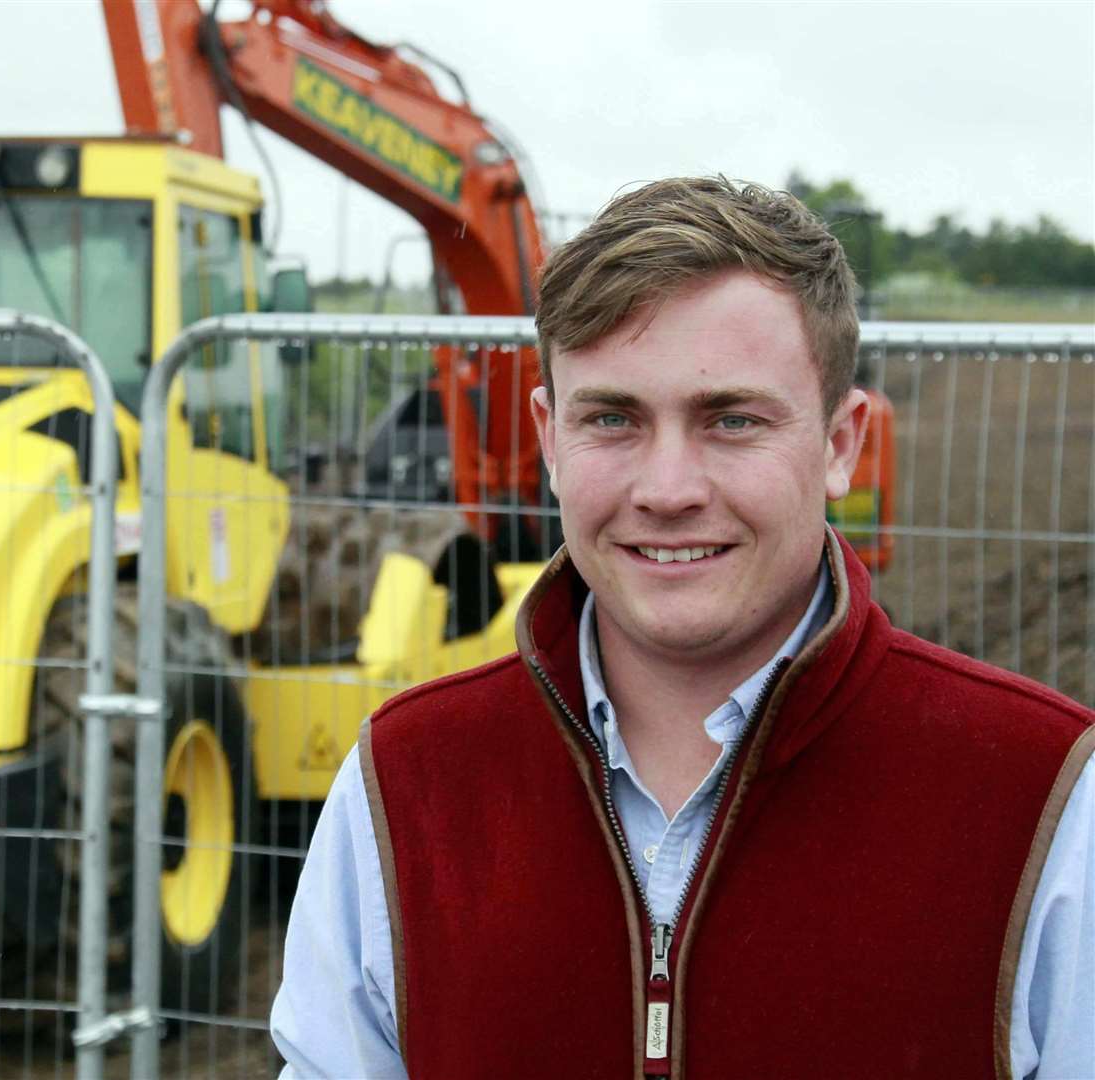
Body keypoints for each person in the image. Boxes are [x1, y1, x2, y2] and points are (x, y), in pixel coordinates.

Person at [270, 177, 1094, 1078]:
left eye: (732, 420)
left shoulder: (1048, 807)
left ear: (840, 444)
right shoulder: (400, 785)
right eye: (614, 419)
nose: (668, 490)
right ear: (549, 440)